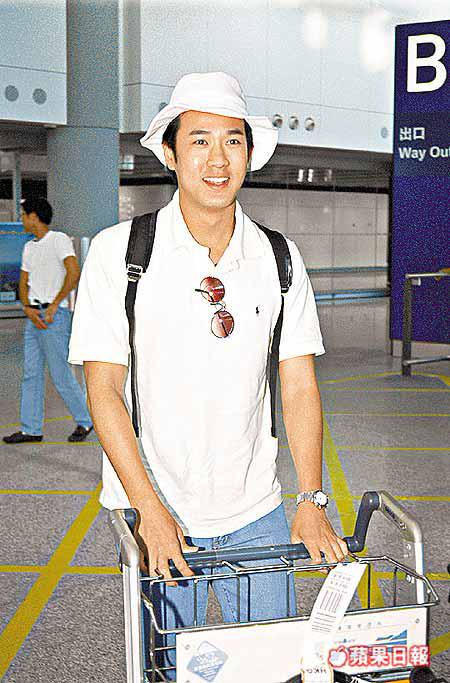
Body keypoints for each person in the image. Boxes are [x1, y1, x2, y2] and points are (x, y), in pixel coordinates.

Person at [68, 72, 347, 674]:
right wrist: (149, 510)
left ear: (249, 153)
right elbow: (104, 390)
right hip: (158, 510)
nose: (217, 160)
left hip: (256, 510)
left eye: (232, 140)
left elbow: (298, 385)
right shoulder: (121, 253)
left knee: (274, 666)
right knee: (171, 668)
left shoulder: (278, 257)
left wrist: (310, 497)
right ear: (170, 153)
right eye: (199, 140)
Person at [3, 197, 93, 444]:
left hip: (55, 317)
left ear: (34, 216)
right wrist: (28, 308)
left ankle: (85, 421)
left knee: (60, 374)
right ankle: (31, 429)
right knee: (30, 374)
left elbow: (73, 272)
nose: (21, 219)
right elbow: (23, 282)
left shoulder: (59, 240)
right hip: (33, 317)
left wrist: (54, 305)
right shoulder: (29, 247)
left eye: (23, 214)